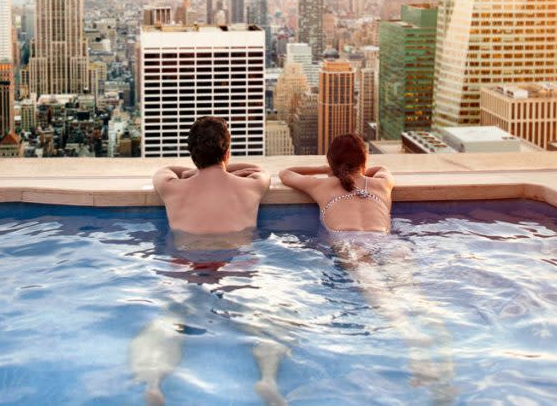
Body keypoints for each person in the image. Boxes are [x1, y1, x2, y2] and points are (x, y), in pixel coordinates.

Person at [280, 134, 455, 402]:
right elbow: (383, 168)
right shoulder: (382, 183)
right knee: (414, 296)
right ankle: (446, 364)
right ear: (365, 160)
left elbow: (286, 173)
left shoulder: (324, 186)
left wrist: (328, 170)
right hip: (389, 243)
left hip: (352, 246)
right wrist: (354, 169)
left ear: (331, 163)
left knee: (382, 300)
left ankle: (413, 344)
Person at [131, 117, 287, 406]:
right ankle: (267, 378)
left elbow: (163, 171)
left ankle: (154, 384)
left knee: (166, 322)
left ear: (192, 154)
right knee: (263, 324)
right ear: (227, 152)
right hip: (236, 266)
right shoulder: (250, 187)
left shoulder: (172, 188)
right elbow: (260, 171)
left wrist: (191, 172)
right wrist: (226, 168)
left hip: (184, 265)